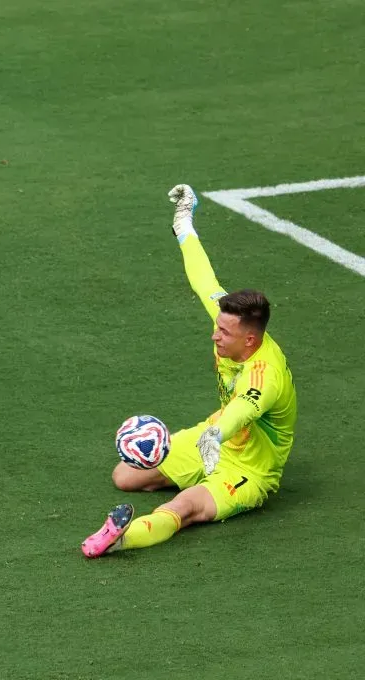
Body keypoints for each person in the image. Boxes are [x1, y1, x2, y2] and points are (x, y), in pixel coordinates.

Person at [81, 184, 297, 557]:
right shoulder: (231, 324)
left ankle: (118, 539)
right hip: (207, 441)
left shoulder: (266, 376)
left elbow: (244, 408)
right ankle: (184, 476)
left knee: (183, 508)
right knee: (125, 476)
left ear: (249, 340)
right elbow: (203, 280)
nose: (215, 335)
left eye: (224, 333)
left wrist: (216, 435)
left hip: (247, 470)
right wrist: (184, 225)